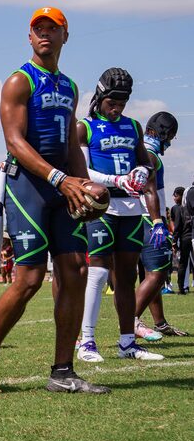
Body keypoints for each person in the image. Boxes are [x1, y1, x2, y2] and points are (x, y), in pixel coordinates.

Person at [0, 7, 109, 394]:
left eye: (53, 28)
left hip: (63, 185)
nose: (45, 34)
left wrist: (81, 182)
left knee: (75, 272)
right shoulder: (19, 81)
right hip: (28, 186)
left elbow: (69, 143)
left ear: (66, 36)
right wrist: (60, 178)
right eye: (38, 29)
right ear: (29, 38)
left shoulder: (69, 86)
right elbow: (14, 142)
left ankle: (62, 371)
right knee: (29, 279)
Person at [75, 68, 163, 362]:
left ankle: (127, 343)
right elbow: (82, 170)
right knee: (98, 272)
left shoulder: (134, 127)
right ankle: (86, 341)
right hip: (102, 206)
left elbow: (146, 162)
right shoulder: (84, 127)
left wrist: (141, 171)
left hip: (131, 209)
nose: (117, 109)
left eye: (122, 104)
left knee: (126, 277)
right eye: (112, 102)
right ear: (100, 97)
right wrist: (117, 181)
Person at [134, 113, 189, 337]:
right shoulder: (149, 154)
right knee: (158, 273)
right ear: (164, 132)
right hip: (149, 219)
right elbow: (148, 190)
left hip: (137, 217)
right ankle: (129, 322)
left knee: (150, 274)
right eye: (171, 136)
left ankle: (160, 322)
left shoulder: (142, 149)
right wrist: (158, 221)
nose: (170, 141)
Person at [171, 186, 192, 294]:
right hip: (190, 236)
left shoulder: (177, 208)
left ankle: (181, 288)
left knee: (183, 263)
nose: (174, 198)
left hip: (184, 238)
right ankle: (185, 286)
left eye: (175, 195)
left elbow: (177, 226)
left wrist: (174, 241)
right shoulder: (189, 206)